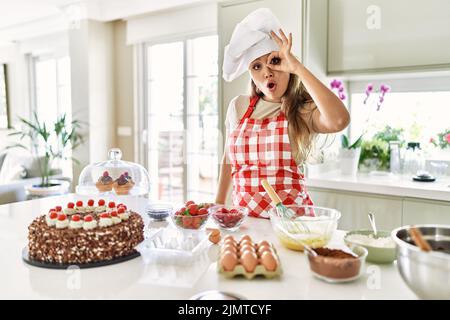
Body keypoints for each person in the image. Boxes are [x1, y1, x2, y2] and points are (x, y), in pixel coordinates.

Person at [215, 8, 350, 218]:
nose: (267, 72)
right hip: (247, 223)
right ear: (251, 75)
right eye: (256, 66)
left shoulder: (302, 110)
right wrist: (218, 205)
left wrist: (298, 67)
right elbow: (228, 160)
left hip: (293, 225)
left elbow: (339, 120)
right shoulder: (239, 107)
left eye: (275, 61)